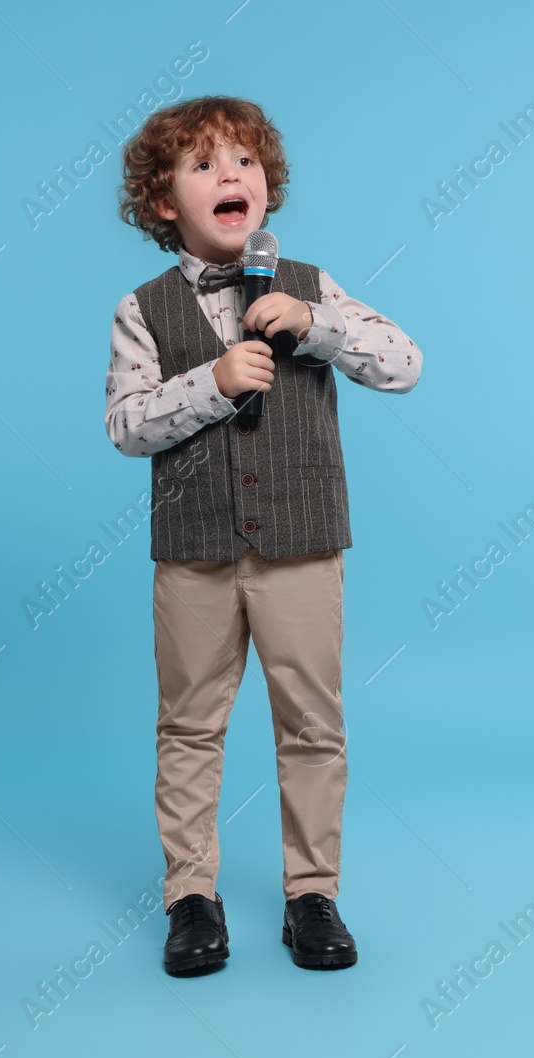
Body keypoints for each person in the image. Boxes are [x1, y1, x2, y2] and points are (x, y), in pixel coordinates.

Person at [104, 95, 421, 976]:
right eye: (202, 165)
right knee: (190, 725)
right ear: (164, 201)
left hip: (302, 548)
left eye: (242, 162)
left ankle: (311, 894)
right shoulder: (142, 308)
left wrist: (316, 329)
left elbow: (404, 364)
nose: (228, 176)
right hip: (195, 555)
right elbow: (126, 425)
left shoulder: (312, 285)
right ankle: (190, 896)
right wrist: (211, 380)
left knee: (313, 724)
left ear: (268, 190)